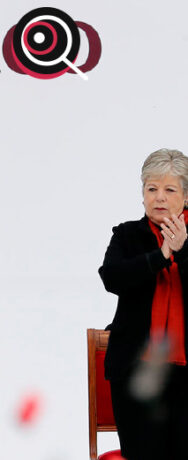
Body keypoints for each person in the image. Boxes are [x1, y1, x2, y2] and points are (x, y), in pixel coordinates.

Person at [98, 148, 188, 460]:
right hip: (136, 374)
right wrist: (161, 256)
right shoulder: (126, 235)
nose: (159, 197)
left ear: (186, 196)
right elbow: (112, 278)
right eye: (151, 189)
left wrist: (182, 250)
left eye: (169, 189)